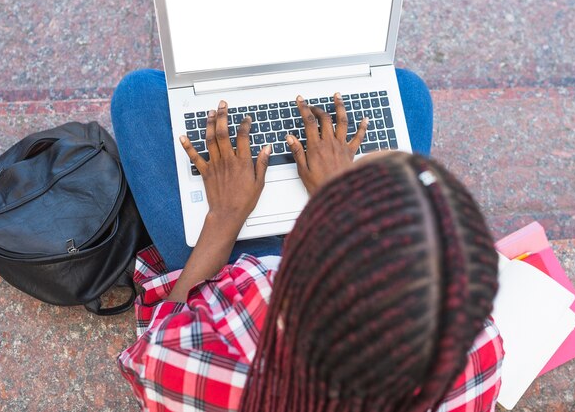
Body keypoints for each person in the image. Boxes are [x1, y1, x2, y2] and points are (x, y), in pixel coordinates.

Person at [112, 69, 503, 412]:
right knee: (406, 92)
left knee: (138, 95)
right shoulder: (474, 351)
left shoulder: (201, 368)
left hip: (223, 257)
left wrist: (224, 218)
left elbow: (151, 352)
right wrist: (337, 194)